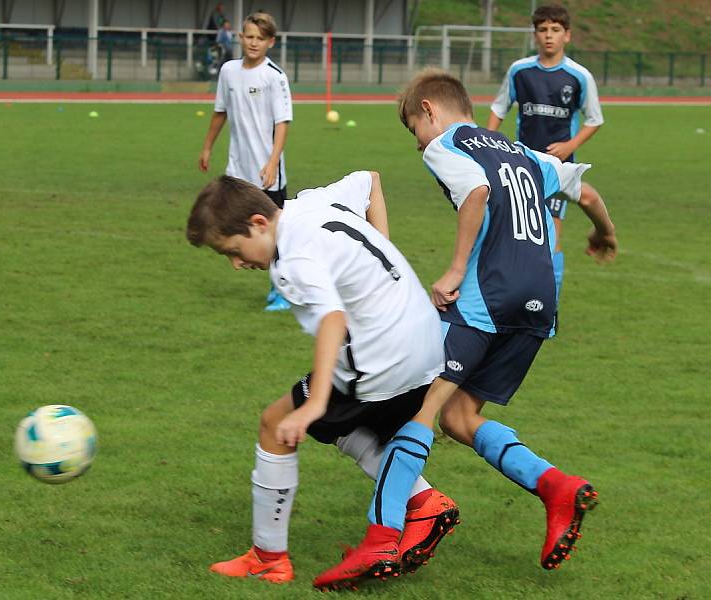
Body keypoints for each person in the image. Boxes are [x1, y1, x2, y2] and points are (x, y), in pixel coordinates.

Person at [317, 68, 617, 587]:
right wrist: (604, 235)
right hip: (539, 301)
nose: (418, 146)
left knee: (422, 409)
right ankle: (556, 489)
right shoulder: (522, 152)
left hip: (487, 296)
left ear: (430, 110)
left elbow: (475, 191)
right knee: (459, 416)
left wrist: (455, 269)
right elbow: (586, 194)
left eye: (414, 129)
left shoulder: (447, 145)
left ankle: (379, 540)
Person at [186, 171, 459, 586]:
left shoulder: (291, 261)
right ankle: (422, 500)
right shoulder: (311, 202)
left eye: (233, 250)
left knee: (278, 423)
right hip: (427, 340)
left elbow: (332, 318)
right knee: (339, 426)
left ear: (259, 224)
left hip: (382, 358)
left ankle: (268, 558)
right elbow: (371, 180)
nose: (237, 263)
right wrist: (384, 252)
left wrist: (313, 404)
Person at [487, 4, 604, 309]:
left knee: (550, 239)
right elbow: (499, 109)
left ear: (567, 35)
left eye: (555, 30)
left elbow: (594, 119)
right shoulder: (519, 71)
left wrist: (569, 146)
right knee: (514, 235)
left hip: (558, 170)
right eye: (542, 30)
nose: (548, 36)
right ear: (535, 35)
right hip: (521, 166)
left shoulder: (579, 76)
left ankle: (546, 306)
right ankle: (512, 298)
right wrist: (489, 145)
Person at [198, 12, 293, 312]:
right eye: (249, 36)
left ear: (270, 42)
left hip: (267, 172)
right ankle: (265, 275)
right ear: (240, 37)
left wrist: (272, 161)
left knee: (278, 231)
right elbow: (219, 112)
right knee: (233, 225)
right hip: (237, 170)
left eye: (260, 38)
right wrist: (207, 147)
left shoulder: (274, 75)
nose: (253, 43)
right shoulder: (228, 71)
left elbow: (282, 123)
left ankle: (282, 289)